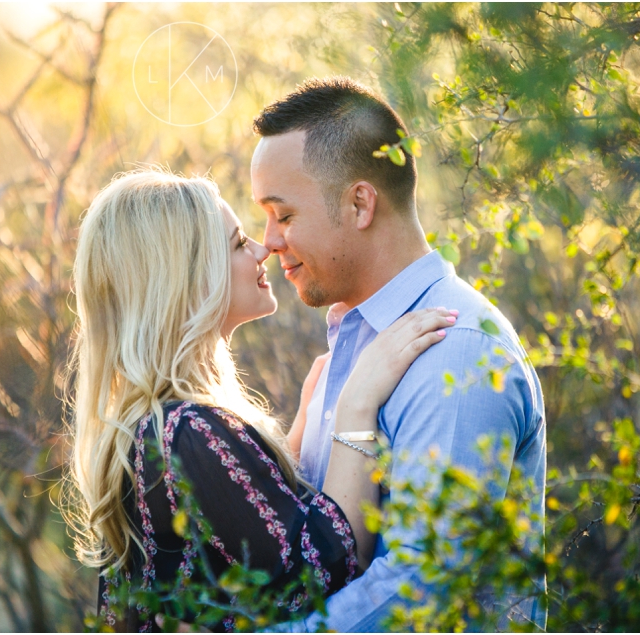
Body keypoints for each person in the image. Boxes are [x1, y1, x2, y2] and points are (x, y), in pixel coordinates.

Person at [65, 169, 457, 631]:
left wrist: (290, 445)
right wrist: (358, 403)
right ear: (185, 281)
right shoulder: (188, 432)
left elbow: (243, 542)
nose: (263, 249)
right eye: (236, 244)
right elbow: (325, 570)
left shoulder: (159, 426)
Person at [251, 76, 547, 630]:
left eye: (283, 215)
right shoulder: (354, 342)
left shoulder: (456, 352)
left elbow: (424, 591)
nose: (268, 240)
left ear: (361, 203)